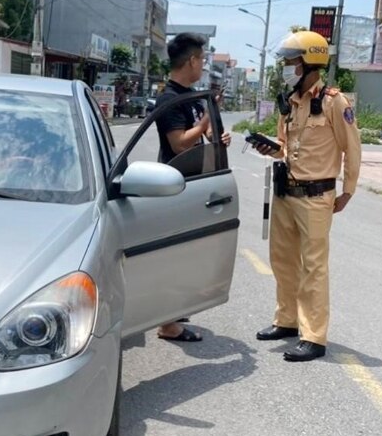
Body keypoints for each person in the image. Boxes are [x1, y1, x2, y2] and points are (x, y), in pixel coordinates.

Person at [250, 31, 362, 362]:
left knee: (314, 267)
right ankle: (286, 320)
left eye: (290, 61)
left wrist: (348, 191)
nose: (286, 67)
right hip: (286, 193)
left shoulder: (333, 102)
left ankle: (314, 336)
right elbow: (285, 147)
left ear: (309, 62)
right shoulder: (291, 102)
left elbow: (351, 148)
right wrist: (270, 148)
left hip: (316, 196)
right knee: (282, 260)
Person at [153, 32, 232, 343]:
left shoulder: (190, 97)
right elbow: (179, 143)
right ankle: (167, 324)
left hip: (190, 185)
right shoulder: (170, 100)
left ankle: (171, 310)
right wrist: (202, 125)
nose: (203, 64)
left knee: (185, 253)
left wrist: (216, 135)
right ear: (191, 61)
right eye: (201, 59)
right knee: (174, 255)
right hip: (173, 186)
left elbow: (200, 137)